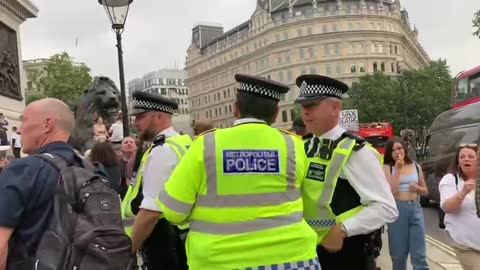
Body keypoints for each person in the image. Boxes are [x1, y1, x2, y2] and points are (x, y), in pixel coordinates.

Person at [158, 74, 320, 270]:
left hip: (219, 261)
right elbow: (309, 199)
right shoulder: (293, 145)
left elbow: (173, 211)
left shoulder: (207, 144)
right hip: (294, 259)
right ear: (276, 113)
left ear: (236, 108)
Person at [295, 75, 398, 270]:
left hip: (348, 254)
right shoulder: (305, 146)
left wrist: (343, 230)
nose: (305, 113)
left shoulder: (355, 151)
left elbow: (386, 207)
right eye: (303, 107)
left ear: (335, 108)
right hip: (311, 253)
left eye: (313, 106)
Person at [0, 98, 78, 269]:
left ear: (47, 124)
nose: (19, 130)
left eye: (24, 121)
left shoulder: (23, 170)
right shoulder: (93, 169)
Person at [121, 91, 192, 270]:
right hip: (181, 238)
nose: (135, 122)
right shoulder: (182, 143)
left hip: (165, 241)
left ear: (159, 116)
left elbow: (152, 211)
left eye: (141, 116)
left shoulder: (163, 150)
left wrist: (128, 252)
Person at [383, 137, 429, 270]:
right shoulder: (387, 168)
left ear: (404, 149)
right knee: (398, 254)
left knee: (419, 254)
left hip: (415, 208)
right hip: (397, 210)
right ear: (389, 153)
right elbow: (391, 191)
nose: (397, 152)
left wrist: (418, 189)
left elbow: (425, 191)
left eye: (399, 148)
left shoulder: (416, 166)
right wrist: (397, 169)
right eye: (393, 150)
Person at [439, 144, 480, 270]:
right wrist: (463, 192)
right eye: (462, 157)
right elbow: (447, 207)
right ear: (458, 162)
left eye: (470, 156)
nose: (466, 159)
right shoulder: (450, 180)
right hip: (464, 242)